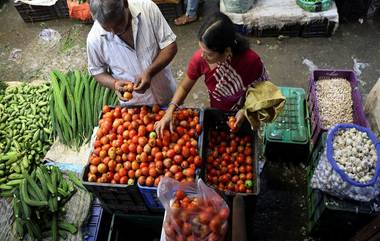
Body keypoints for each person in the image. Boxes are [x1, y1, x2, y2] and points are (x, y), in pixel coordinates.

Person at [155, 11, 270, 136]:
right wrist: (170, 110)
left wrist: (246, 110)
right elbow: (184, 86)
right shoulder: (200, 59)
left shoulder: (250, 61)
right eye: (201, 49)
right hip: (218, 108)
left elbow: (262, 92)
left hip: (245, 108)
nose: (203, 56)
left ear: (226, 51)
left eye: (209, 53)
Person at [87, 0, 178, 106]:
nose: (114, 31)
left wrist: (150, 72)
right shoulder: (94, 39)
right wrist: (115, 84)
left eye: (118, 23)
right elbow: (97, 72)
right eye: (107, 28)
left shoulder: (147, 8)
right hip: (134, 106)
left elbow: (170, 46)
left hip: (165, 92)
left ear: (125, 3)